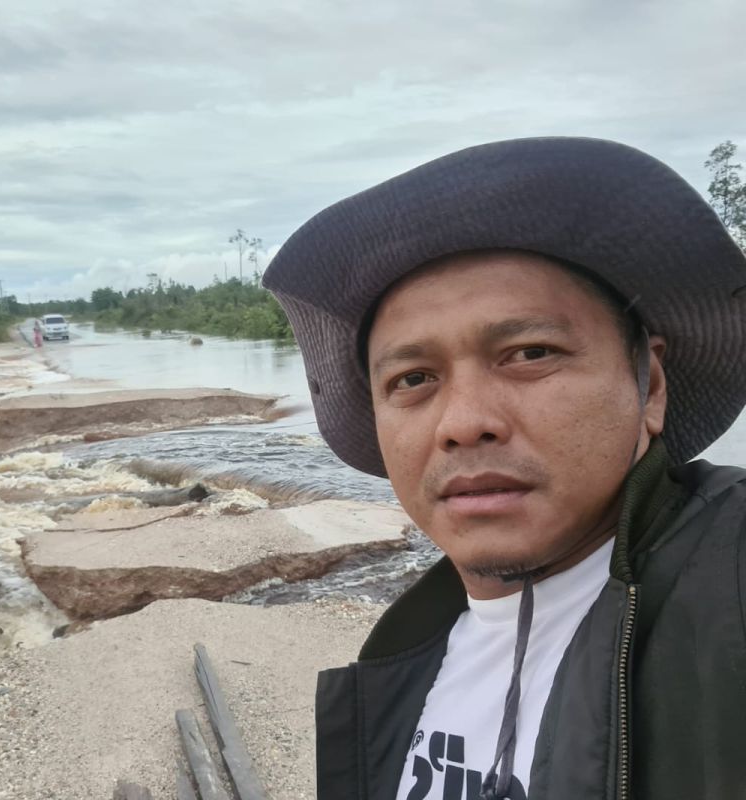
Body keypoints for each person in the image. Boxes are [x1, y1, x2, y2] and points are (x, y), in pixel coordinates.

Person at [261, 137, 746, 800]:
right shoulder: (400, 664)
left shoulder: (725, 589)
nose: (464, 422)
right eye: (413, 378)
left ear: (650, 386)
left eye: (529, 353)